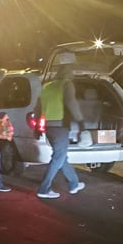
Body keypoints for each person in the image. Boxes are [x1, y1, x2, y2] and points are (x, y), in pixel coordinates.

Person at [34, 69, 86, 199]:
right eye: (71, 74)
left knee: (62, 157)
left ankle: (74, 184)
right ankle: (44, 189)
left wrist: (37, 127)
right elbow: (71, 103)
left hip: (49, 127)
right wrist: (80, 122)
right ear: (67, 74)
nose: (72, 76)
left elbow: (38, 108)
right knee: (58, 157)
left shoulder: (46, 87)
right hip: (60, 126)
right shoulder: (66, 84)